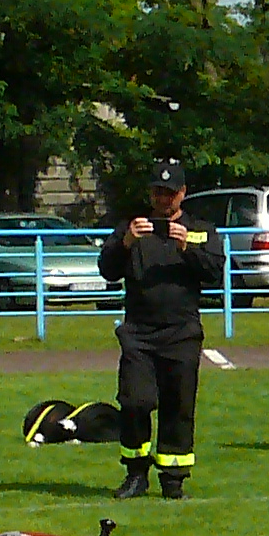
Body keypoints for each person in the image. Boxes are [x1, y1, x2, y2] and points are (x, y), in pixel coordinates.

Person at [99, 161, 220, 500]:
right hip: (138, 332)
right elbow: (107, 270)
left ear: (182, 194)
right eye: (157, 192)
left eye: (170, 193)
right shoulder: (133, 227)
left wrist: (187, 248)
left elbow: (214, 272)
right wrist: (124, 242)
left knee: (178, 406)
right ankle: (136, 473)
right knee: (135, 402)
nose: (163, 199)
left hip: (181, 331)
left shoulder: (200, 229)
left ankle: (173, 479)